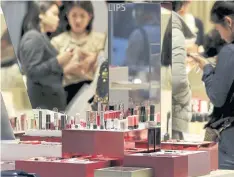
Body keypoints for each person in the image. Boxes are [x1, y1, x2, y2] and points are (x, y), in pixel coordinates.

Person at [190, 1, 234, 169]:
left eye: (218, 28)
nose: (218, 34)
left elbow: (217, 96)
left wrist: (207, 69)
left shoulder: (229, 52)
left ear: (228, 22)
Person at [19, 1, 74, 111]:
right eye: (54, 14)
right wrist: (58, 60)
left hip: (50, 105)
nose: (58, 19)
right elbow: (32, 71)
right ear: (41, 15)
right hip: (43, 106)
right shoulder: (34, 37)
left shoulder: (42, 38)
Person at [51, 1, 105, 105]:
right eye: (74, 15)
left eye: (82, 16)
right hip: (65, 94)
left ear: (90, 17)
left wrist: (94, 59)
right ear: (67, 16)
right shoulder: (57, 42)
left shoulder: (101, 40)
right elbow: (48, 74)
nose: (78, 20)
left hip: (94, 95)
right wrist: (67, 70)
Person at [171, 1, 196, 140]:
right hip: (170, 115)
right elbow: (177, 81)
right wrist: (185, 97)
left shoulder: (143, 27)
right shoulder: (174, 32)